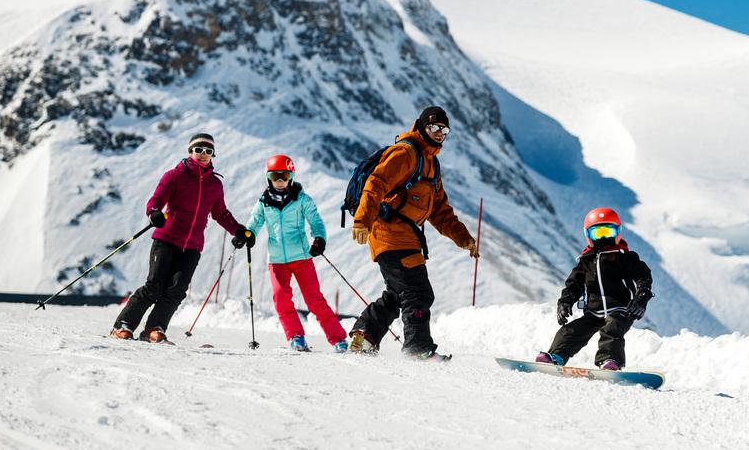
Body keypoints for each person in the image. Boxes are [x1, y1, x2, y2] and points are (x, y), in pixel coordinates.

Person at [348, 106, 478, 360]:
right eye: (434, 127)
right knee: (418, 292)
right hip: (389, 233)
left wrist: (464, 238)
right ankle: (418, 348)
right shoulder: (405, 153)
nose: (439, 133)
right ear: (421, 126)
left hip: (405, 236)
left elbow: (440, 210)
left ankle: (365, 335)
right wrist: (362, 220)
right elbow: (376, 183)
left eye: (444, 129)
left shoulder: (431, 163)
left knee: (398, 294)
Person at [110, 133, 251, 344]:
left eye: (208, 151)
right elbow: (156, 199)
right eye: (198, 150)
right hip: (166, 240)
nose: (203, 154)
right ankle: (123, 325)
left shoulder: (214, 184)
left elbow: (220, 213)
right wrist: (154, 212)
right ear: (190, 151)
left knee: (177, 290)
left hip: (193, 246)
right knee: (154, 286)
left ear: (213, 154)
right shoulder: (174, 176)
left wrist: (238, 230)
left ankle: (154, 329)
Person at [247, 154, 348, 352]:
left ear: (291, 177)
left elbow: (316, 221)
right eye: (275, 176)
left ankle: (338, 339)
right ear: (268, 178)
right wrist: (247, 235)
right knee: (281, 299)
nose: (280, 181)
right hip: (276, 259)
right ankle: (296, 337)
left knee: (314, 299)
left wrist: (319, 238)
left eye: (284, 176)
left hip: (301, 257)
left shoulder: (302, 200)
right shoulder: (263, 203)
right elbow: (254, 223)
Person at [536, 207, 653, 371]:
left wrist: (641, 298)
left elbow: (643, 277)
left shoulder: (625, 257)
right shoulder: (586, 261)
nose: (603, 237)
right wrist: (565, 303)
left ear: (618, 233)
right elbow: (573, 285)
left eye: (608, 232)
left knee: (612, 329)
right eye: (598, 233)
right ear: (588, 235)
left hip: (620, 309)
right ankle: (556, 356)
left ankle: (610, 360)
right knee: (570, 331)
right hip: (594, 311)